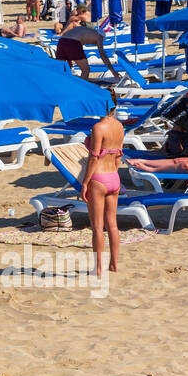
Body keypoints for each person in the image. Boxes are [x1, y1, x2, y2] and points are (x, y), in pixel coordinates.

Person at [80, 109, 123, 276]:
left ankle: (98, 269)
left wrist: (85, 183)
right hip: (114, 176)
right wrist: (113, 172)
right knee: (112, 225)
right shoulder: (119, 126)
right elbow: (119, 156)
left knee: (97, 227)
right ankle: (114, 265)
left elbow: (93, 158)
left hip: (99, 178)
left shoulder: (98, 127)